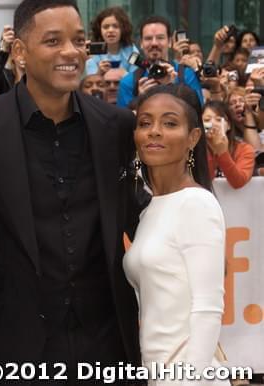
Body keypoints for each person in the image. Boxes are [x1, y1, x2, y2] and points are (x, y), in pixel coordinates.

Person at [0, 0, 142, 381]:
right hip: (12, 345)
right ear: (20, 53)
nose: (71, 52)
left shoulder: (117, 127)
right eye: (53, 41)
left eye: (78, 40)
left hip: (106, 343)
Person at [124, 84, 227, 383]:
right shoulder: (148, 208)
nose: (154, 131)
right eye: (145, 123)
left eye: (169, 123)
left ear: (193, 138)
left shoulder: (197, 204)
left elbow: (208, 308)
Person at [117, 16, 204, 108]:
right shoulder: (129, 82)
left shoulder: (186, 75)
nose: (154, 43)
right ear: (141, 44)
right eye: (148, 38)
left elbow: (197, 114)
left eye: (160, 38)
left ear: (170, 42)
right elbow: (123, 120)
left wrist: (172, 87)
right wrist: (140, 99)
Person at [202, 100, 255, 188]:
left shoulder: (245, 149)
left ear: (229, 125)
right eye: (207, 120)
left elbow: (238, 182)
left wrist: (222, 153)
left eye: (219, 119)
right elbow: (204, 182)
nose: (213, 123)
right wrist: (210, 151)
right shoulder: (194, 150)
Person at [86, 6, 139, 75]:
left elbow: (136, 77)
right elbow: (91, 82)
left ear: (123, 29)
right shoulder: (93, 52)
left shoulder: (132, 50)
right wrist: (99, 73)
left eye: (116, 26)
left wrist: (125, 74)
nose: (110, 30)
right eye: (106, 27)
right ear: (99, 30)